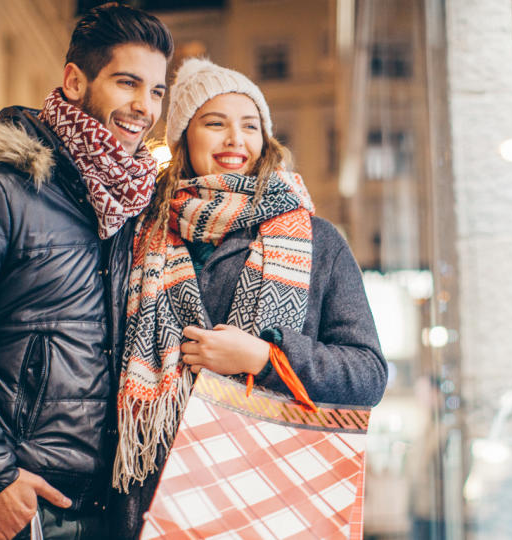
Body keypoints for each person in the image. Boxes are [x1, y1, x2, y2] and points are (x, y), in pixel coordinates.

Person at [0, 4, 172, 539]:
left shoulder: (129, 203)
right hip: (29, 504)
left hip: (118, 506)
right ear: (74, 80)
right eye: (127, 83)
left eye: (157, 91)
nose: (144, 106)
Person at [110, 58, 388, 538]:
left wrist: (265, 357)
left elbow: (368, 375)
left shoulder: (317, 241)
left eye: (250, 125)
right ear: (183, 138)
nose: (235, 140)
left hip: (270, 490)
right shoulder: (140, 237)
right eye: (215, 123)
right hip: (157, 495)